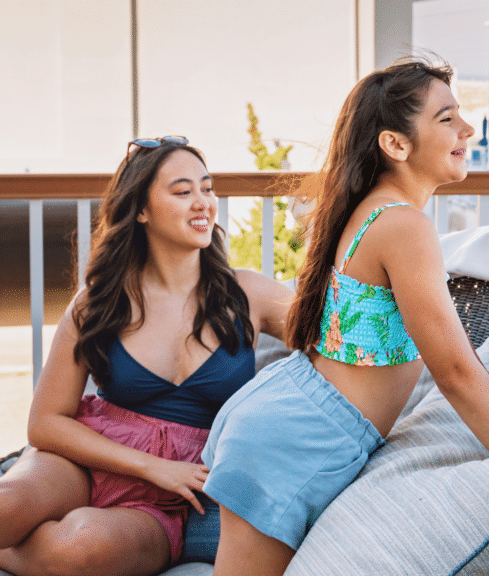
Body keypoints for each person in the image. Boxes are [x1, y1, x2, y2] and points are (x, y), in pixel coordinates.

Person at [202, 57, 489, 576]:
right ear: (395, 144)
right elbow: (455, 374)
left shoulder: (376, 212)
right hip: (299, 438)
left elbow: (444, 358)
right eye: (446, 119)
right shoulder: (403, 225)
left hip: (294, 418)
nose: (467, 128)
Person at [0, 137, 293, 576]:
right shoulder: (98, 302)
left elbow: (337, 340)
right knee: (7, 507)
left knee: (78, 546)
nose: (203, 204)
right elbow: (45, 422)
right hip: (86, 460)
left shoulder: (249, 293)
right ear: (141, 209)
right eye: (182, 192)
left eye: (207, 189)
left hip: (166, 502)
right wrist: (155, 466)